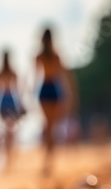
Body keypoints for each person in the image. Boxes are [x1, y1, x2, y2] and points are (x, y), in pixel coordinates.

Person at [35, 28, 74, 175]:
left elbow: (34, 77)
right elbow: (64, 75)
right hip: (54, 89)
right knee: (52, 126)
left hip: (44, 89)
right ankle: (50, 160)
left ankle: (47, 160)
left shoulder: (39, 56)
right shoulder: (56, 56)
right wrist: (69, 94)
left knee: (48, 126)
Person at [0, 50, 23, 170]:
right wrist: (20, 106)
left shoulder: (0, 73)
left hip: (4, 102)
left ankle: (8, 159)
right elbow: (18, 92)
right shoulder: (13, 72)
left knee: (5, 132)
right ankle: (9, 159)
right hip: (11, 102)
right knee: (10, 132)